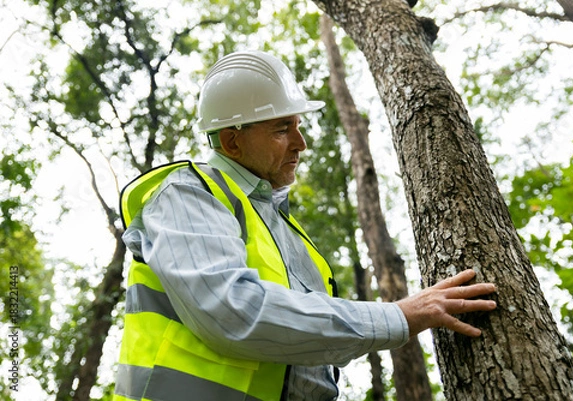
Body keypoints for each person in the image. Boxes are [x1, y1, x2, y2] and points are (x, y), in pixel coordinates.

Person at [113, 50, 497, 401]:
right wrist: (400, 316)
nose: (301, 143)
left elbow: (308, 354)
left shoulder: (281, 228)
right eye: (282, 129)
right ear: (231, 142)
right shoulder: (188, 193)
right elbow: (233, 312)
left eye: (297, 125)